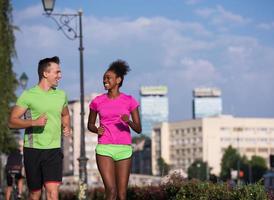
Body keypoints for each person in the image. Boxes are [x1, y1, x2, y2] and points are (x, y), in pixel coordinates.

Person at [8, 56, 71, 200]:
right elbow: (12, 122)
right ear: (45, 73)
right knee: (35, 193)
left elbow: (65, 115)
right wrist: (34, 122)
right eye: (57, 72)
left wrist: (67, 126)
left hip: (54, 150)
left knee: (52, 191)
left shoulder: (61, 95)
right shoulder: (28, 95)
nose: (60, 76)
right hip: (33, 149)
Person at [87, 59, 142, 200]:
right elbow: (90, 124)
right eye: (104, 78)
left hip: (124, 149)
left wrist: (128, 121)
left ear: (118, 80)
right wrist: (96, 130)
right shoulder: (97, 101)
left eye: (108, 78)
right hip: (104, 148)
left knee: (122, 195)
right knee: (111, 191)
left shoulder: (130, 101)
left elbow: (139, 129)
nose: (105, 80)